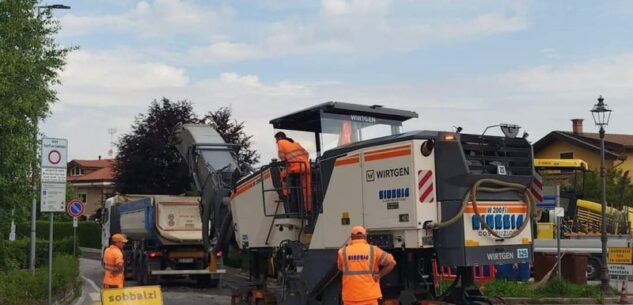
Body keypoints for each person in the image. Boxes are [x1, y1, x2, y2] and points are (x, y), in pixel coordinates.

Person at [337, 226, 396, 305]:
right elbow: (392, 262)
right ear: (365, 237)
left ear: (351, 236)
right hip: (369, 297)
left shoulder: (342, 252)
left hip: (350, 297)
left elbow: (340, 268)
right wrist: (379, 275)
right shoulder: (373, 250)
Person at [274, 131, 312, 212]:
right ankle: (308, 209)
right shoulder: (295, 143)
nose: (276, 142)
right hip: (306, 166)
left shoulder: (281, 142)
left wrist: (286, 161)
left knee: (283, 174)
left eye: (276, 140)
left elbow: (282, 157)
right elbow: (306, 154)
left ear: (279, 138)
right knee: (307, 190)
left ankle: (286, 196)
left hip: (296, 168)